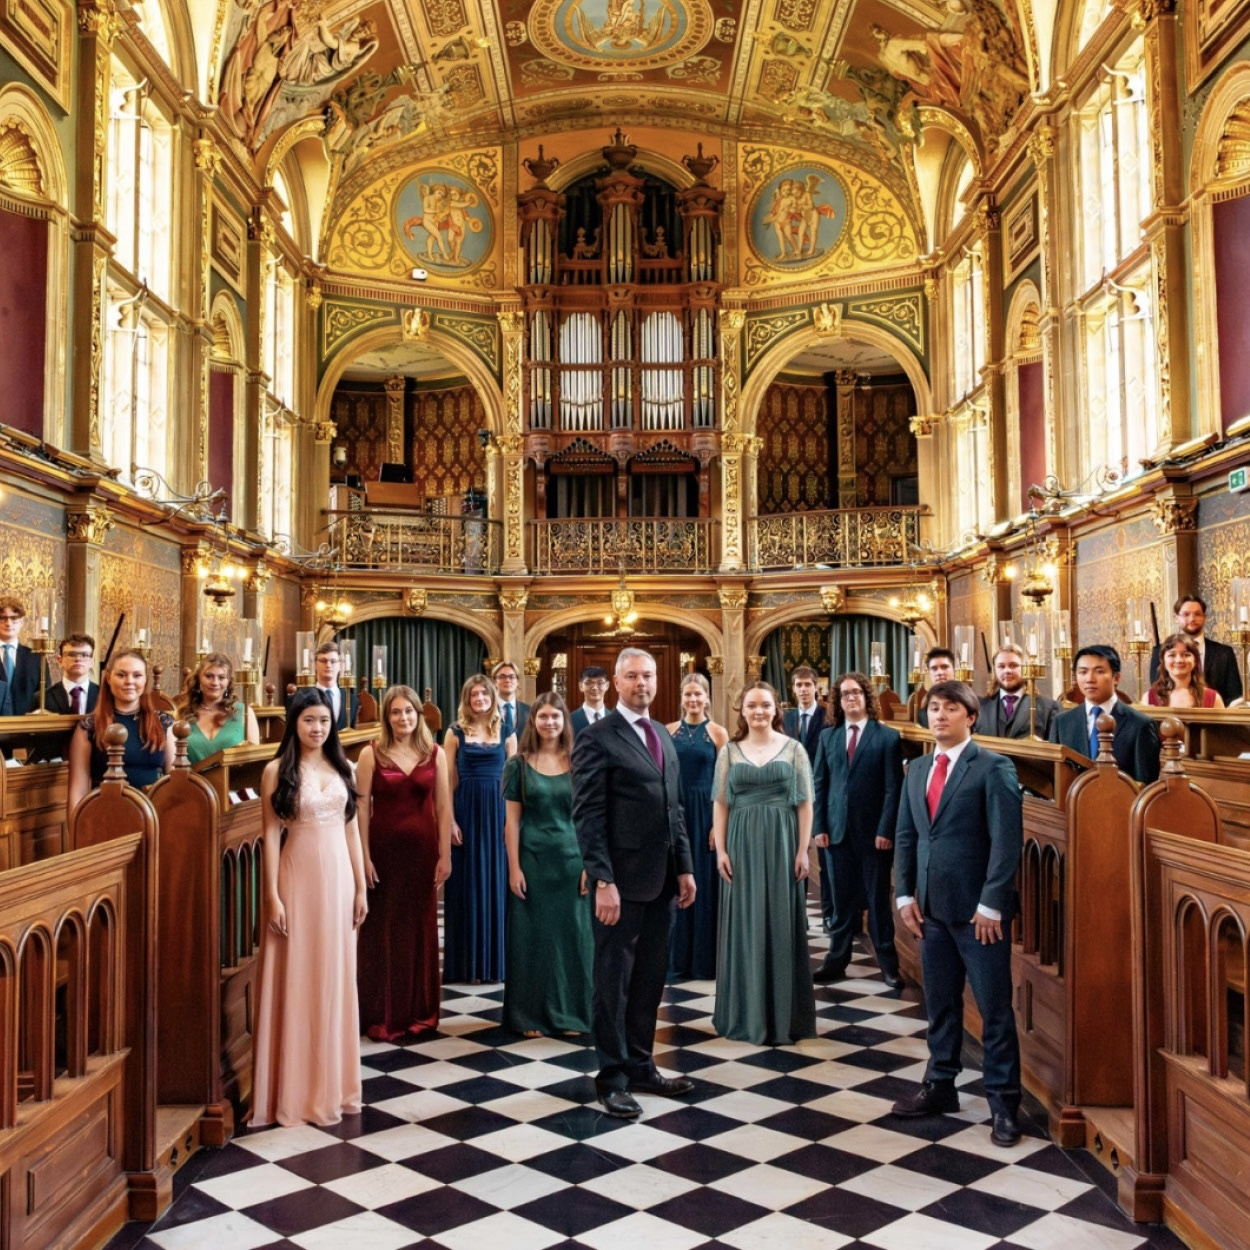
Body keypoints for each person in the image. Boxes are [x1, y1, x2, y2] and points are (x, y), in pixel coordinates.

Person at [892, 680, 1024, 1147]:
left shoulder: (993, 767)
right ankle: (940, 1085)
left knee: (993, 1010)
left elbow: (1006, 843)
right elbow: (907, 836)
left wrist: (992, 903)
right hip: (930, 910)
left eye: (951, 708)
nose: (940, 715)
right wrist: (905, 894)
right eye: (933, 708)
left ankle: (1004, 1104)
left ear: (971, 716)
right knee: (941, 1004)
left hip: (978, 914)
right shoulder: (917, 770)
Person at [571, 647, 696, 1120]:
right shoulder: (597, 737)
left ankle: (642, 1065)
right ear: (616, 684)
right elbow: (587, 814)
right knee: (613, 982)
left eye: (648, 676)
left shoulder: (662, 733)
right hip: (619, 885)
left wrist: (684, 867)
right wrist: (602, 879)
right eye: (631, 676)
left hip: (662, 879)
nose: (641, 683)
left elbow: (675, 809)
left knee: (649, 980)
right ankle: (613, 1079)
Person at [251, 688, 367, 1127]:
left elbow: (352, 832)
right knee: (296, 975)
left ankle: (331, 1087)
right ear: (293, 723)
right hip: (296, 877)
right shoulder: (276, 770)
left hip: (338, 880)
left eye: (323, 721)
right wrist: (272, 895)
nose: (317, 729)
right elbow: (270, 836)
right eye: (308, 721)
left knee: (335, 977)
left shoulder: (344, 767)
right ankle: (294, 1092)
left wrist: (360, 888)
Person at [711, 681, 816, 1045]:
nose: (759, 711)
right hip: (741, 842)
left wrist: (803, 851)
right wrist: (722, 849)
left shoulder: (794, 750)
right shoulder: (730, 751)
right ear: (742, 710)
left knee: (782, 921)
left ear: (776, 710)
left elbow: (805, 804)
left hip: (783, 840)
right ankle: (744, 1012)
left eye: (765, 705)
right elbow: (721, 802)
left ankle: (784, 1015)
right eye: (752, 705)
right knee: (744, 921)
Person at [357, 685, 452, 1041]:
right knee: (382, 931)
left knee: (420, 930)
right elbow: (362, 810)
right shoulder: (372, 754)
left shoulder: (435, 753)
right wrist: (363, 857)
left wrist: (445, 854)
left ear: (419, 715)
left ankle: (419, 1012)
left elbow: (443, 808)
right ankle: (381, 1014)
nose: (403, 718)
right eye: (396, 712)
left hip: (423, 854)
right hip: (382, 854)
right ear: (387, 717)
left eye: (408, 712)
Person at [503, 692, 593, 1036]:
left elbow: (589, 818)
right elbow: (511, 822)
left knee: (574, 939)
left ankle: (572, 1014)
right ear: (533, 721)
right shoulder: (518, 764)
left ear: (564, 721)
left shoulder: (580, 761)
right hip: (532, 862)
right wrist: (514, 867)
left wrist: (591, 864)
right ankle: (529, 1016)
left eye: (556, 716)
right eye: (543, 716)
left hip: (573, 861)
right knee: (532, 940)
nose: (549, 722)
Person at [811, 672, 903, 990]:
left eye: (856, 693)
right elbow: (819, 784)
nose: (851, 698)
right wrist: (819, 825)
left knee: (878, 902)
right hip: (836, 834)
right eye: (845, 694)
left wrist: (885, 829)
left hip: (874, 836)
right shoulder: (828, 737)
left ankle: (888, 966)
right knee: (840, 901)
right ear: (838, 700)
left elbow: (893, 789)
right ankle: (836, 961)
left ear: (867, 697)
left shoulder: (887, 737)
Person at [443, 673, 515, 983]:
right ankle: (465, 965)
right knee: (467, 884)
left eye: (484, 694)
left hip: (498, 811)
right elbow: (446, 780)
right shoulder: (454, 732)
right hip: (465, 811)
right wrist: (448, 820)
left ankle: (495, 963)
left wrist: (511, 822)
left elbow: (515, 780)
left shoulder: (507, 730)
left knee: (496, 882)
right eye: (474, 695)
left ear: (493, 697)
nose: (480, 700)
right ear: (467, 699)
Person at [666, 673, 728, 980]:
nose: (693, 700)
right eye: (688, 695)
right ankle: (676, 958)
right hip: (676, 812)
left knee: (702, 882)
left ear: (707, 698)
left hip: (706, 812)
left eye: (698, 695)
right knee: (675, 880)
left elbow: (724, 783)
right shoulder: (668, 731)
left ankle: (703, 960)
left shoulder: (718, 733)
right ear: (682, 697)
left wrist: (718, 826)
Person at [67, 648, 174, 811]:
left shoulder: (164, 723)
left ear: (145, 680)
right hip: (105, 815)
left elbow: (174, 780)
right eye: (121, 675)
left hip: (154, 814)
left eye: (137, 675)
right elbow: (77, 791)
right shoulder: (88, 727)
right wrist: (77, 832)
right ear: (109, 678)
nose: (129, 681)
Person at [1050, 645, 1161, 784]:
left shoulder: (1141, 725)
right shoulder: (1062, 722)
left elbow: (1146, 784)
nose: (1089, 679)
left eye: (1099, 671)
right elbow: (1053, 777)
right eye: (1083, 672)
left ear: (1116, 678)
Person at [783, 665, 831, 929]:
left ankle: (828, 916)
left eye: (807, 685)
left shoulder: (827, 716)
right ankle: (795, 914)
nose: (803, 690)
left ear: (816, 687)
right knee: (794, 854)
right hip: (792, 793)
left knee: (823, 860)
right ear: (793, 689)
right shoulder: (787, 718)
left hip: (820, 792)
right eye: (798, 686)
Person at [1148, 595, 1243, 706]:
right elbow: (1157, 687)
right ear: (1176, 618)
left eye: (1197, 614)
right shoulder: (1160, 651)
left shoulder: (1224, 652)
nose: (1192, 619)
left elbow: (1234, 694)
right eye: (1186, 614)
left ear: (1205, 617)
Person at [177, 653, 261, 765]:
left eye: (221, 677)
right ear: (198, 679)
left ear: (228, 682)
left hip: (234, 781)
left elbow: (255, 762)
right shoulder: (182, 714)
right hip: (192, 781)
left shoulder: (245, 713)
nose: (215, 682)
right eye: (209, 676)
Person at [978, 643, 1060, 739]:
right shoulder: (981, 707)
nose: (1007, 670)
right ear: (995, 671)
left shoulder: (1049, 709)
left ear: (1026, 668)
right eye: (1001, 666)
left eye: (1013, 665)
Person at [1147, 633, 1225, 709]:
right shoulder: (1149, 698)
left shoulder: (1213, 699)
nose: (1179, 660)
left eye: (1186, 655)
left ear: (1195, 660)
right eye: (1172, 655)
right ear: (1163, 660)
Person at [0, 597, 40, 716]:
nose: (8, 623)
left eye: (14, 618)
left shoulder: (36, 657)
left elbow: (44, 694)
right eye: (2, 618)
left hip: (26, 727)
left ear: (22, 622)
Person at [46, 634, 99, 714]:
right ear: (60, 660)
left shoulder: (104, 695)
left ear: (92, 661)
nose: (78, 659)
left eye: (84, 655)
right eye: (72, 654)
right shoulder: (43, 698)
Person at [916, 647, 957, 728]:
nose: (939, 672)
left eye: (944, 667)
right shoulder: (925, 705)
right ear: (929, 672)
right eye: (934, 668)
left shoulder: (965, 698)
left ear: (954, 669)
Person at [492, 660, 530, 740]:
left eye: (511, 677)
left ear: (517, 681)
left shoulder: (529, 710)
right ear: (495, 681)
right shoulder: (488, 710)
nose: (507, 680)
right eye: (502, 677)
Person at [570, 666, 610, 735]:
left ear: (607, 685)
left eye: (600, 683)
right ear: (581, 686)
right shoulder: (569, 720)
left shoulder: (615, 719)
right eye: (589, 683)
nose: (594, 688)